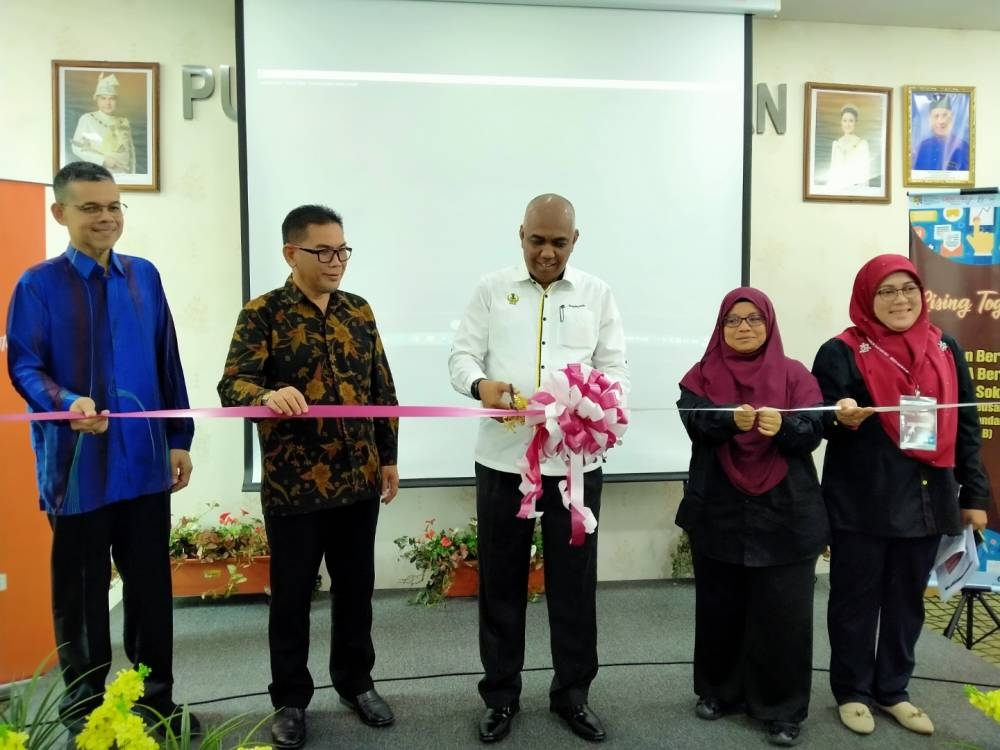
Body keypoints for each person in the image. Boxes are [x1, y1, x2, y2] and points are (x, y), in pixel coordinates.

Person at [5, 162, 197, 745]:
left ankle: (153, 703)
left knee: (149, 593)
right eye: (91, 208)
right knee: (82, 600)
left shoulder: (145, 277)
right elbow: (24, 365)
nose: (106, 217)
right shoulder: (37, 285)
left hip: (143, 465)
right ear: (60, 213)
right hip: (77, 471)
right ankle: (87, 714)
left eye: (114, 206)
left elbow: (168, 361)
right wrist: (65, 402)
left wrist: (180, 439)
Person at [448, 193, 629, 744]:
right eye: (537, 240)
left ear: (576, 240)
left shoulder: (597, 294)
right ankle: (501, 696)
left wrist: (594, 399)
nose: (546, 252)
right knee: (501, 581)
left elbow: (615, 367)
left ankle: (572, 696)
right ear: (520, 235)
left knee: (574, 586)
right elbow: (461, 358)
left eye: (558, 242)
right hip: (504, 462)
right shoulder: (489, 289)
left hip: (574, 464)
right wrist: (482, 386)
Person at [217, 205, 400, 750]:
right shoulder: (263, 314)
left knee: (355, 591)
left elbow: (381, 390)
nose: (336, 261)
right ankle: (291, 700)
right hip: (295, 486)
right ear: (290, 253)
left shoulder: (359, 311)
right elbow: (233, 386)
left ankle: (356, 682)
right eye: (323, 251)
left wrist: (387, 457)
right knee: (293, 596)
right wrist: (266, 395)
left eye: (342, 250)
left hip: (358, 479)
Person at [812, 254, 991, 737]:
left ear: (921, 294)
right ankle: (852, 690)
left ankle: (893, 689)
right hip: (861, 498)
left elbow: (967, 426)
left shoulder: (946, 347)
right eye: (886, 291)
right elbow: (818, 419)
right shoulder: (841, 351)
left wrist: (975, 495)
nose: (900, 300)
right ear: (867, 298)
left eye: (907, 289)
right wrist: (838, 416)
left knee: (907, 600)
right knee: (854, 600)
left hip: (928, 497)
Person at [676, 288, 827, 748]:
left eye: (753, 319)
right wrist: (728, 419)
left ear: (769, 323)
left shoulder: (796, 375)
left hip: (786, 513)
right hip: (719, 509)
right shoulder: (701, 375)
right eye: (733, 321)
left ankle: (782, 709)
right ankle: (719, 691)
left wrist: (786, 427)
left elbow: (815, 430)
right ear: (720, 328)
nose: (744, 328)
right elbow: (694, 419)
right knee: (720, 608)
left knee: (784, 615)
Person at [71, 73, 136, 174]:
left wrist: (133, 176)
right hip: (100, 174)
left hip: (125, 176)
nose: (108, 103)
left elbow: (131, 153)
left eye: (112, 98)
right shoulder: (88, 119)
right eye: (103, 98)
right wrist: (103, 160)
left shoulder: (124, 121)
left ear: (116, 100)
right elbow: (77, 147)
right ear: (96, 99)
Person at [912, 96, 969, 172]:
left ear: (952, 118)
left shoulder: (963, 147)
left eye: (945, 115)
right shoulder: (922, 148)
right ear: (930, 120)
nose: (941, 121)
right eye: (936, 116)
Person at [826, 104, 871, 188]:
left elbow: (865, 174)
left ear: (855, 122)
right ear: (841, 122)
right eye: (844, 120)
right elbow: (832, 172)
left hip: (856, 190)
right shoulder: (836, 144)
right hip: (837, 188)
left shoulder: (862, 144)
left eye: (851, 120)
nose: (847, 124)